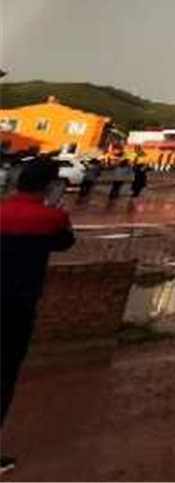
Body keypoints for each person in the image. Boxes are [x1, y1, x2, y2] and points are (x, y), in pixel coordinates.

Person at [0, 159, 76, 475]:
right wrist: (53, 205)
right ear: (49, 186)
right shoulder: (53, 217)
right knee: (3, 377)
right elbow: (65, 242)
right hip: (16, 309)